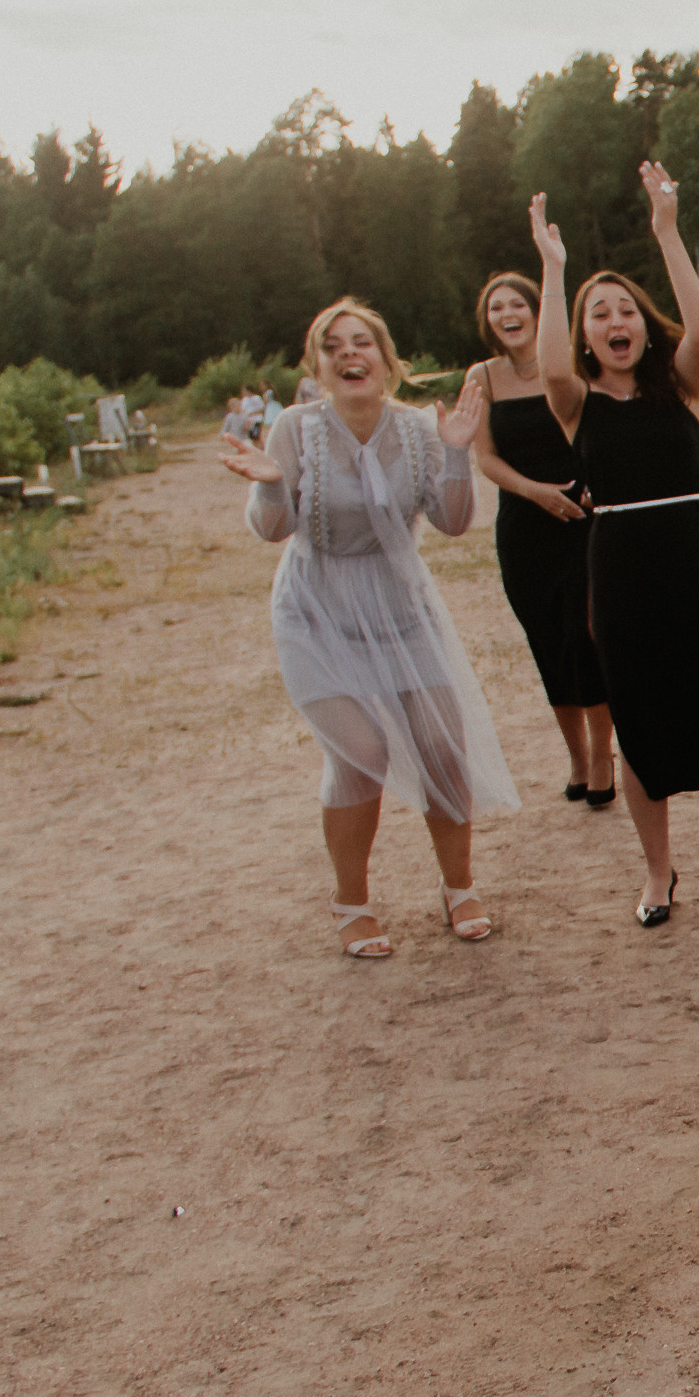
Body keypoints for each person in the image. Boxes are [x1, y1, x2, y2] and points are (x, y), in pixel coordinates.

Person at [532, 166, 699, 930]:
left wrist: (668, 232)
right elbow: (549, 366)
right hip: (618, 571)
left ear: (644, 325)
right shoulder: (575, 402)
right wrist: (555, 274)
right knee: (640, 728)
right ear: (587, 335)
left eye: (625, 310)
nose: (614, 321)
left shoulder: (679, 385)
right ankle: (657, 873)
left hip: (696, 560)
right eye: (598, 314)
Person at [219, 297, 518, 957]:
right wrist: (271, 487)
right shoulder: (294, 429)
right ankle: (351, 902)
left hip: (400, 607)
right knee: (362, 753)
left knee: (442, 746)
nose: (348, 353)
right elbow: (273, 530)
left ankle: (459, 886)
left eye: (361, 343)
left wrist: (457, 454)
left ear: (388, 361)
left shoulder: (416, 428)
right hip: (317, 610)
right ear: (319, 366)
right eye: (333, 346)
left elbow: (453, 520)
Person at [465, 270, 617, 808]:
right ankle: (575, 756)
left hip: (583, 522)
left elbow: (602, 433)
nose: (506, 315)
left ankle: (603, 755)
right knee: (548, 643)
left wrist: (598, 488)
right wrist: (535, 493)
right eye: (494, 308)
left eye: (516, 305)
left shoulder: (571, 365)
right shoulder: (481, 377)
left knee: (587, 639)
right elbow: (485, 458)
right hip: (524, 530)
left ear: (536, 311)